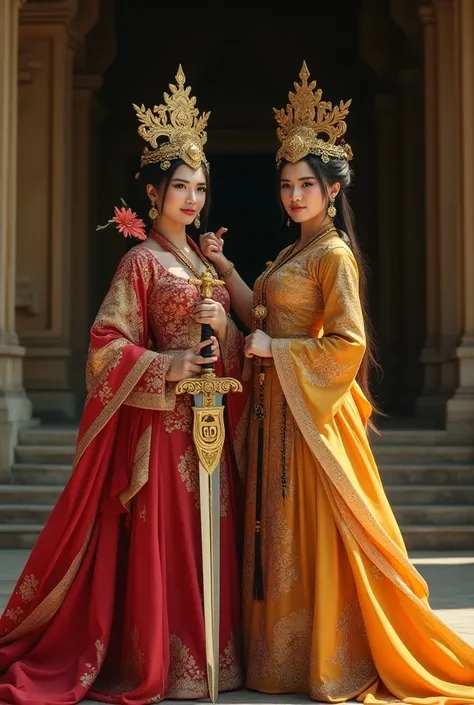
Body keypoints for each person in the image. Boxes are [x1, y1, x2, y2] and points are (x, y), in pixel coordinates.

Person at [200, 61, 474, 704]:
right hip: (278, 413)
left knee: (315, 536)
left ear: (330, 190)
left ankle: (328, 658)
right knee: (278, 533)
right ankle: (280, 662)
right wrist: (225, 268)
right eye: (287, 185)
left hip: (314, 419)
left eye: (307, 185)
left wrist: (278, 349)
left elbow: (346, 344)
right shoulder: (292, 253)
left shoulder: (332, 255)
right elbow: (258, 317)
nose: (294, 196)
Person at [0, 65, 248, 704]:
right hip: (160, 428)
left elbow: (233, 347)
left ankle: (211, 660)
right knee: (168, 542)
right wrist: (168, 365)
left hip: (207, 425)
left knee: (209, 536)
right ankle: (160, 658)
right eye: (180, 187)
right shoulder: (140, 261)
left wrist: (223, 329)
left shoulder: (199, 258)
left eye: (200, 187)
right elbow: (104, 347)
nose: (192, 199)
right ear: (153, 194)